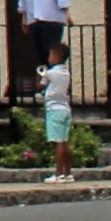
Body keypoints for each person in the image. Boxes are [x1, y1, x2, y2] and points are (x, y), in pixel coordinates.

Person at [16, 0, 71, 106]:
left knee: (52, 53)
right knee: (39, 54)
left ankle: (57, 87)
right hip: (34, 19)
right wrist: (24, 17)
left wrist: (66, 12)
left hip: (51, 19)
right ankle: (42, 87)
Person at [40, 41, 76, 178]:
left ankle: (58, 173)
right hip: (65, 108)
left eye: (50, 56)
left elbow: (39, 86)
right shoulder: (66, 73)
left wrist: (40, 73)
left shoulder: (50, 73)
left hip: (54, 109)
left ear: (55, 56)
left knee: (58, 142)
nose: (49, 58)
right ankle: (68, 173)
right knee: (65, 142)